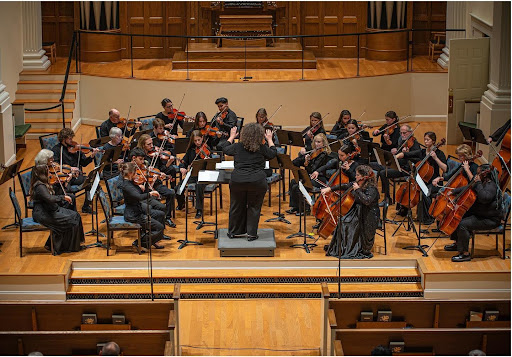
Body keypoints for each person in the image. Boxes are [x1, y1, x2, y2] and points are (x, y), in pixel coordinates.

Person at [220, 123, 277, 241]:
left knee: (236, 205)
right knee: (254, 207)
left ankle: (234, 232)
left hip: (238, 181)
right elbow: (273, 153)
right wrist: (270, 139)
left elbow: (225, 148)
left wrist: (231, 137)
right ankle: (251, 234)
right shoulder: (261, 148)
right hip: (257, 181)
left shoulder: (238, 146)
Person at [444, 164, 503, 262]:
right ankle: (457, 244)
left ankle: (465, 254)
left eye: (478, 173)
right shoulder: (482, 182)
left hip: (490, 219)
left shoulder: (491, 186)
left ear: (484, 175)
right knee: (458, 216)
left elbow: (484, 198)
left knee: (463, 224)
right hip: (481, 215)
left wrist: (478, 183)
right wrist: (454, 191)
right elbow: (469, 187)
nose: (476, 174)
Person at [322, 165, 379, 259]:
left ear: (363, 177)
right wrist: (330, 189)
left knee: (346, 224)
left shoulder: (372, 188)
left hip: (368, 216)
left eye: (357, 175)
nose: (355, 177)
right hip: (358, 211)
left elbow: (367, 201)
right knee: (342, 221)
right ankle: (344, 246)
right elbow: (345, 185)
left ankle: (351, 247)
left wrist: (358, 190)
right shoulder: (358, 183)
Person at [29, 164, 85, 255]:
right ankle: (63, 247)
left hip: (50, 209)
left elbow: (53, 195)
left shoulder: (44, 183)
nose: (50, 173)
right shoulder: (39, 186)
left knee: (76, 215)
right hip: (43, 214)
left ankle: (72, 245)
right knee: (71, 218)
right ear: (42, 173)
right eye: (47, 171)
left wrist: (64, 183)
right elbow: (50, 198)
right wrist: (63, 197)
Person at [51, 128, 100, 213]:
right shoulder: (56, 150)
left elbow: (84, 163)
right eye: (69, 139)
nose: (71, 140)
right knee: (67, 189)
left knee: (90, 181)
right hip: (65, 177)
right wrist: (70, 169)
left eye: (71, 138)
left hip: (76, 176)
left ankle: (86, 206)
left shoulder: (76, 148)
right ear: (63, 139)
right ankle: (70, 210)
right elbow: (55, 166)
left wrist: (92, 156)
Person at [120, 162, 165, 250]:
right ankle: (139, 243)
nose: (137, 175)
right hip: (134, 215)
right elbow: (139, 197)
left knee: (160, 214)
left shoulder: (131, 182)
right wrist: (150, 193)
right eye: (135, 173)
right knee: (159, 227)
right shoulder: (127, 186)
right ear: (130, 173)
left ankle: (153, 240)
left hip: (138, 209)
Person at [130, 148, 175, 235]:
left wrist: (153, 181)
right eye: (141, 159)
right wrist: (137, 186)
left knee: (162, 207)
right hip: (136, 199)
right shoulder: (128, 169)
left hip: (145, 195)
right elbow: (122, 185)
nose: (143, 162)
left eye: (143, 159)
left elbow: (147, 186)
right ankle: (152, 233)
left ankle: (160, 233)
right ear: (133, 158)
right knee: (155, 210)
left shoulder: (142, 168)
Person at [135, 135, 177, 227]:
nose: (152, 146)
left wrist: (165, 167)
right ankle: (154, 220)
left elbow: (161, 168)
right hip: (145, 185)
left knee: (170, 193)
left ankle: (167, 217)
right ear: (143, 145)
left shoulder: (155, 154)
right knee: (154, 200)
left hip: (156, 183)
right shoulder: (139, 157)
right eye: (149, 144)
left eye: (152, 143)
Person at [407, 132, 447, 226]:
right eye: (424, 139)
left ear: (433, 141)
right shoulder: (422, 152)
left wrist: (436, 158)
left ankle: (428, 217)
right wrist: (400, 155)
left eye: (427, 140)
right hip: (422, 180)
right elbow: (408, 155)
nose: (425, 141)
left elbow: (445, 168)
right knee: (410, 188)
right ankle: (407, 212)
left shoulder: (439, 153)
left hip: (434, 182)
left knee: (425, 193)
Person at [287, 133, 332, 215]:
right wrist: (302, 156)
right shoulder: (313, 152)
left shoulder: (323, 154)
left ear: (323, 143)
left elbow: (313, 169)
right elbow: (294, 163)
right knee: (293, 181)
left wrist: (307, 162)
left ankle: (306, 208)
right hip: (309, 177)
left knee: (297, 186)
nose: (317, 144)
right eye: (315, 142)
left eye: (319, 142)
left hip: (318, 179)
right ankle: (296, 206)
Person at [178, 130, 211, 219]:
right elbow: (184, 161)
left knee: (199, 186)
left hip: (205, 176)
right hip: (193, 175)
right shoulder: (191, 150)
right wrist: (182, 167)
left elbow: (212, 164)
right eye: (195, 141)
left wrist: (208, 160)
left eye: (199, 140)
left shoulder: (207, 149)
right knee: (179, 186)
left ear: (202, 138)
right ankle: (181, 204)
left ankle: (199, 209)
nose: (197, 142)